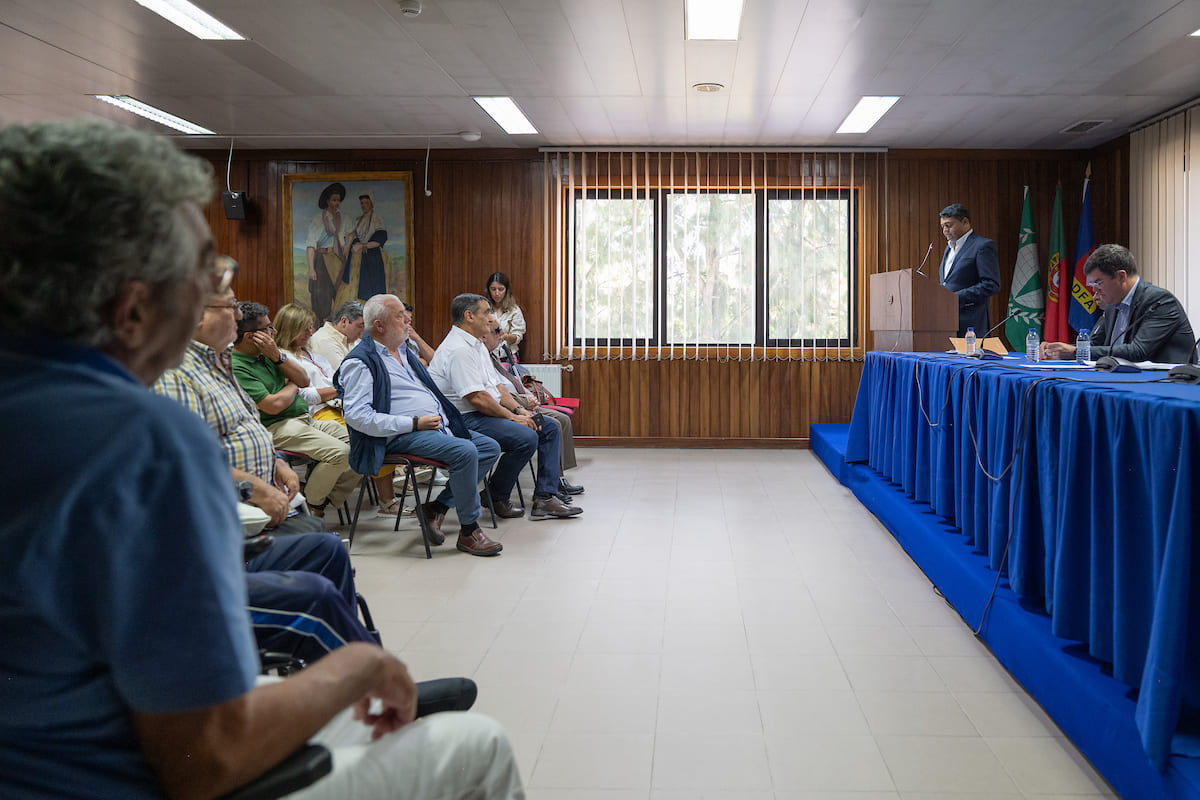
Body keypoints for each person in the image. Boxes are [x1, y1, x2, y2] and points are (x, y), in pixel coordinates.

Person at [0, 120, 523, 800]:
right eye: (209, 275)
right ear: (131, 310)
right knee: (477, 744)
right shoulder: (135, 439)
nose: (215, 296)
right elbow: (205, 760)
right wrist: (358, 669)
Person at [339, 294, 506, 556]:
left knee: (488, 447)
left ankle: (436, 508)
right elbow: (358, 417)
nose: (408, 320)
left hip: (433, 425)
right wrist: (414, 423)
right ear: (379, 325)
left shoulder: (404, 352)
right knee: (465, 451)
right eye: (399, 316)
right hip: (400, 434)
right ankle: (469, 531)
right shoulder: (361, 361)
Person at [430, 293, 582, 521]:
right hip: (465, 418)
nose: (492, 318)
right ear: (469, 316)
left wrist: (519, 410)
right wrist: (513, 419)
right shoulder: (458, 349)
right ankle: (497, 495)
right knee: (527, 437)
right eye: (487, 312)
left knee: (548, 426)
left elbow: (497, 387)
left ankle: (545, 498)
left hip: (485, 413)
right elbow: (478, 399)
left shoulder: (477, 344)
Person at [232, 301, 360, 517]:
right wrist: (292, 384)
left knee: (363, 445)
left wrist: (279, 359)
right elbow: (273, 406)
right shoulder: (237, 365)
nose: (273, 332)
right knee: (341, 453)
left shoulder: (269, 354)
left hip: (303, 419)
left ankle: (316, 502)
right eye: (267, 329)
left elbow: (303, 379)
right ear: (250, 336)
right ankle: (314, 504)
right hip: (277, 426)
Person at [274, 302, 402, 516]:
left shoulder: (312, 354)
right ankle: (318, 501)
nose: (310, 333)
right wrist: (336, 390)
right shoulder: (282, 357)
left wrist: (335, 389)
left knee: (366, 441)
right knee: (357, 445)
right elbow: (307, 395)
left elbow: (338, 383)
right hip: (315, 411)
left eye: (310, 327)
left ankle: (321, 498)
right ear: (290, 328)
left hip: (336, 406)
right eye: (304, 328)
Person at [1040, 244, 1197, 363]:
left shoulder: (1160, 301)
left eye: (1098, 282)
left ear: (1121, 276)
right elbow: (1094, 344)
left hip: (1169, 384)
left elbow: (1138, 352)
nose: (1095, 291)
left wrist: (1076, 352)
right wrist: (1057, 350)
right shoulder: (1112, 304)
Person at [482, 322, 583, 495]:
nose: (502, 335)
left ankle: (557, 478)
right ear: (484, 337)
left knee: (563, 420)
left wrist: (527, 395)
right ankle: (550, 485)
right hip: (514, 407)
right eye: (497, 332)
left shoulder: (494, 357)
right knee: (552, 425)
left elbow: (507, 384)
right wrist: (522, 404)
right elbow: (497, 394)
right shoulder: (481, 359)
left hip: (522, 404)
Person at [937, 203, 1000, 337]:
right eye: (942, 227)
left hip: (971, 323)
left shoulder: (982, 246)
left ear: (965, 222)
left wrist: (955, 298)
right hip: (946, 322)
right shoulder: (948, 249)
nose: (945, 230)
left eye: (948, 225)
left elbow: (991, 285)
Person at [334, 189, 388, 307]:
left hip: (372, 257)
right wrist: (348, 245)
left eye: (366, 203)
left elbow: (380, 238)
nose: (363, 206)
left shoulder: (376, 218)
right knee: (353, 286)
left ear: (371, 204)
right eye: (362, 203)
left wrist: (363, 246)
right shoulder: (359, 220)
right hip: (357, 259)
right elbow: (353, 234)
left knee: (371, 286)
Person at [306, 182, 350, 324]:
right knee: (322, 297)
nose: (336, 203)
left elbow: (352, 234)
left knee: (340, 295)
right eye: (333, 200)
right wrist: (311, 268)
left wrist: (347, 245)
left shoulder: (345, 218)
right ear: (327, 201)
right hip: (322, 261)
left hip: (338, 261)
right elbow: (311, 245)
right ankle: (322, 325)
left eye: (338, 200)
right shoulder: (318, 219)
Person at [309, 299, 365, 370]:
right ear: (344, 321)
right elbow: (344, 375)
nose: (363, 332)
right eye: (360, 326)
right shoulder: (325, 341)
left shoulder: (350, 338)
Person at [486, 271, 527, 362]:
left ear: (506, 290)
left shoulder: (514, 310)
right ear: (488, 290)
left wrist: (507, 337)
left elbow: (518, 335)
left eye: (501, 289)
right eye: (493, 289)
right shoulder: (484, 309)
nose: (497, 293)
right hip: (488, 356)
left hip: (509, 356)